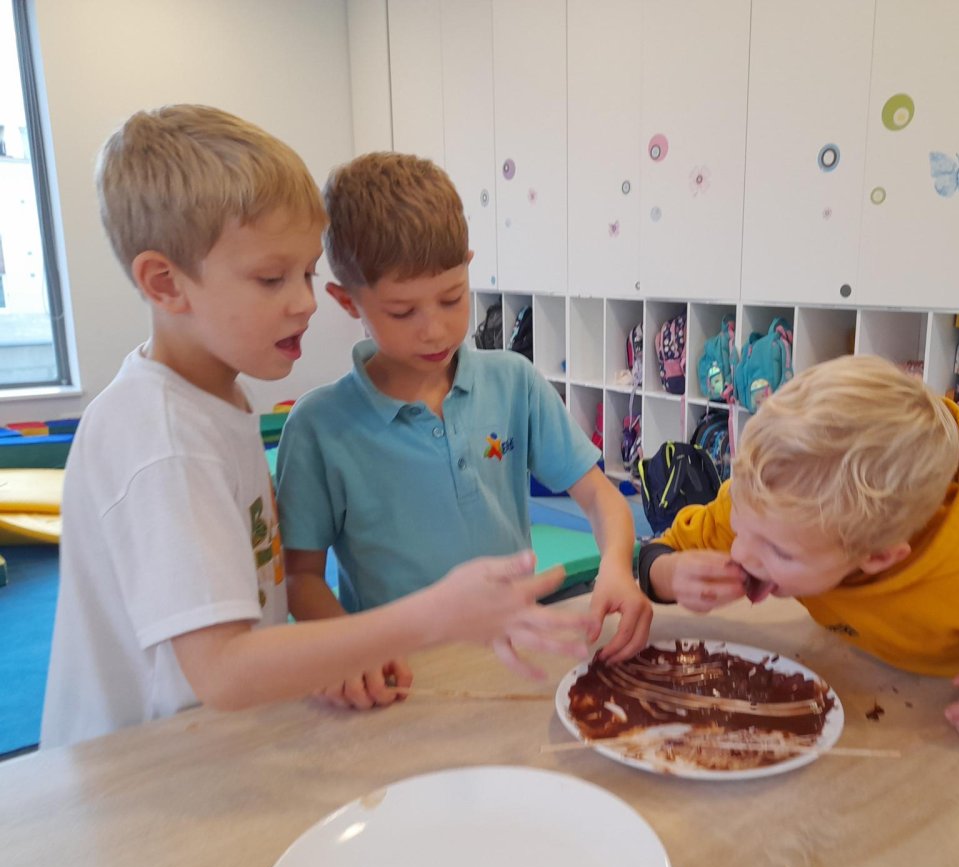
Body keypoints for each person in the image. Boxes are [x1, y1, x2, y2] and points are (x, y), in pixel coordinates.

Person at [40, 106, 589, 749]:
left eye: (306, 273)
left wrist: (335, 655)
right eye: (272, 279)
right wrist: (429, 617)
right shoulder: (164, 441)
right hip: (143, 769)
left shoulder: (215, 400)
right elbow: (222, 670)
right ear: (166, 283)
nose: (303, 302)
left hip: (208, 745)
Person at [275, 152, 651, 708]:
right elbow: (301, 577)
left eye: (452, 298)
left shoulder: (513, 382)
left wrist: (617, 565)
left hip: (516, 656)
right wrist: (346, 650)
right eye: (402, 312)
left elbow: (599, 496)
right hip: (400, 678)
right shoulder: (319, 428)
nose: (435, 329)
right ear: (347, 300)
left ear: (469, 266)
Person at [636, 354, 959, 748]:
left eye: (779, 553)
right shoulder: (775, 503)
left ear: (880, 556)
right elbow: (664, 547)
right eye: (740, 524)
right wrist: (669, 573)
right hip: (902, 700)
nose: (743, 552)